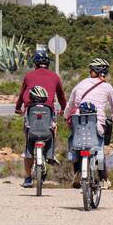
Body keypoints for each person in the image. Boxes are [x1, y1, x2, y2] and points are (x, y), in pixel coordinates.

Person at [64, 57, 113, 187]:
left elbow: (70, 104)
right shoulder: (107, 87)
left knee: (76, 144)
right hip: (97, 124)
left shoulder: (80, 84)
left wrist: (65, 115)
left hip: (78, 122)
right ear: (104, 72)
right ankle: (103, 179)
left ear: (91, 71)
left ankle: (78, 172)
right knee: (99, 147)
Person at [15, 51, 67, 188]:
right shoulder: (55, 77)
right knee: (51, 130)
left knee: (29, 140)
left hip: (30, 110)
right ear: (48, 63)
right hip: (48, 110)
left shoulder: (28, 76)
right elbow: (61, 96)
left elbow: (22, 94)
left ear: (35, 63)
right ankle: (50, 154)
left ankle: (27, 178)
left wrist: (17, 108)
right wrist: (63, 109)